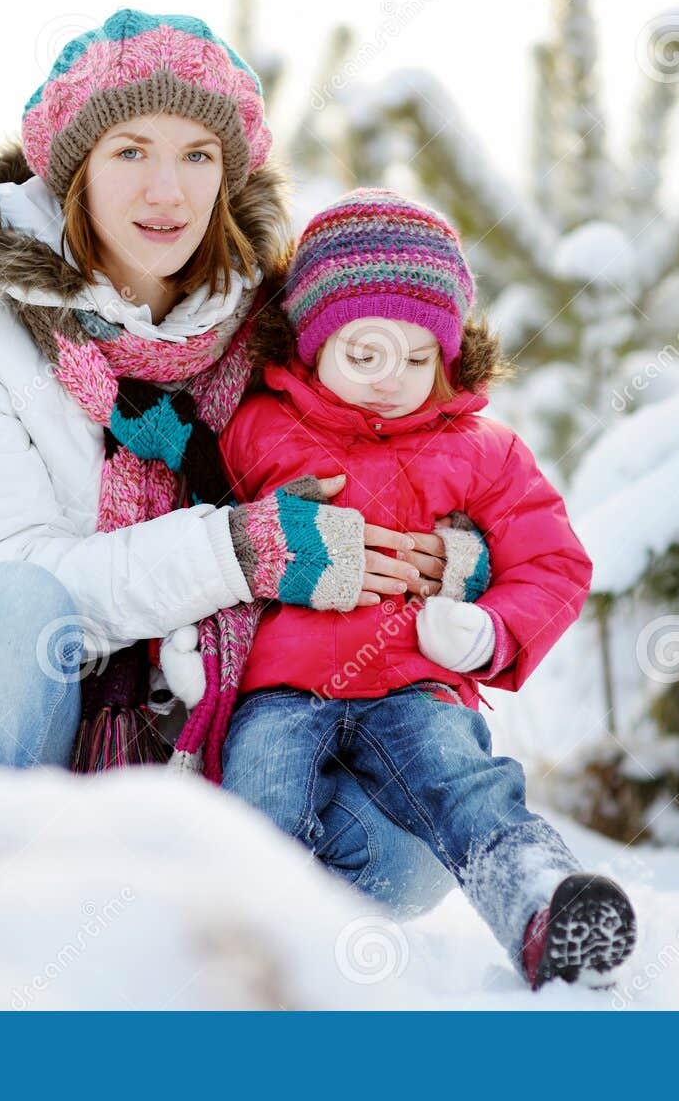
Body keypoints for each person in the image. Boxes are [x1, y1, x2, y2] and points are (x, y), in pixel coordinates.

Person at [0, 10, 481, 917]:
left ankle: (225, 923)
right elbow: (14, 582)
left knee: (414, 839)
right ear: (75, 168)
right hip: (44, 726)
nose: (166, 190)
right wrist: (240, 552)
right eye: (131, 150)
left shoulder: (281, 326)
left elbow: (418, 454)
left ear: (227, 172)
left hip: (235, 743)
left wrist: (448, 551)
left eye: (198, 154)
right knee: (13, 602)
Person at [212, 188, 639, 989]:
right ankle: (247, 943)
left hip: (413, 682)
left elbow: (553, 562)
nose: (392, 379)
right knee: (260, 788)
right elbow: (205, 531)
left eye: (418, 358)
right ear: (312, 341)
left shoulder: (480, 448)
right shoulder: (257, 427)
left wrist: (489, 630)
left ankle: (544, 905)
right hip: (279, 688)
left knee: (468, 781)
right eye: (364, 353)